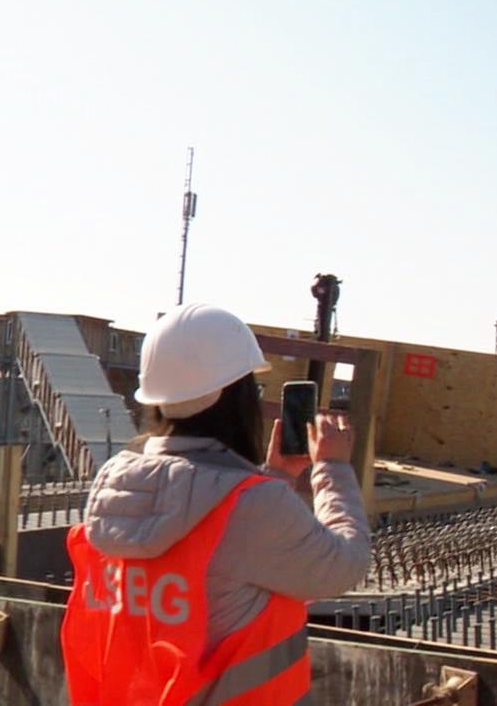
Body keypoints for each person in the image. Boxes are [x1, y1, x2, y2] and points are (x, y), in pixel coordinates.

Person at [62, 302, 370, 705]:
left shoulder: (116, 486)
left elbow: (217, 562)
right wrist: (332, 468)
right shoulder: (253, 507)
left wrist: (274, 478)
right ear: (234, 397)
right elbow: (344, 565)